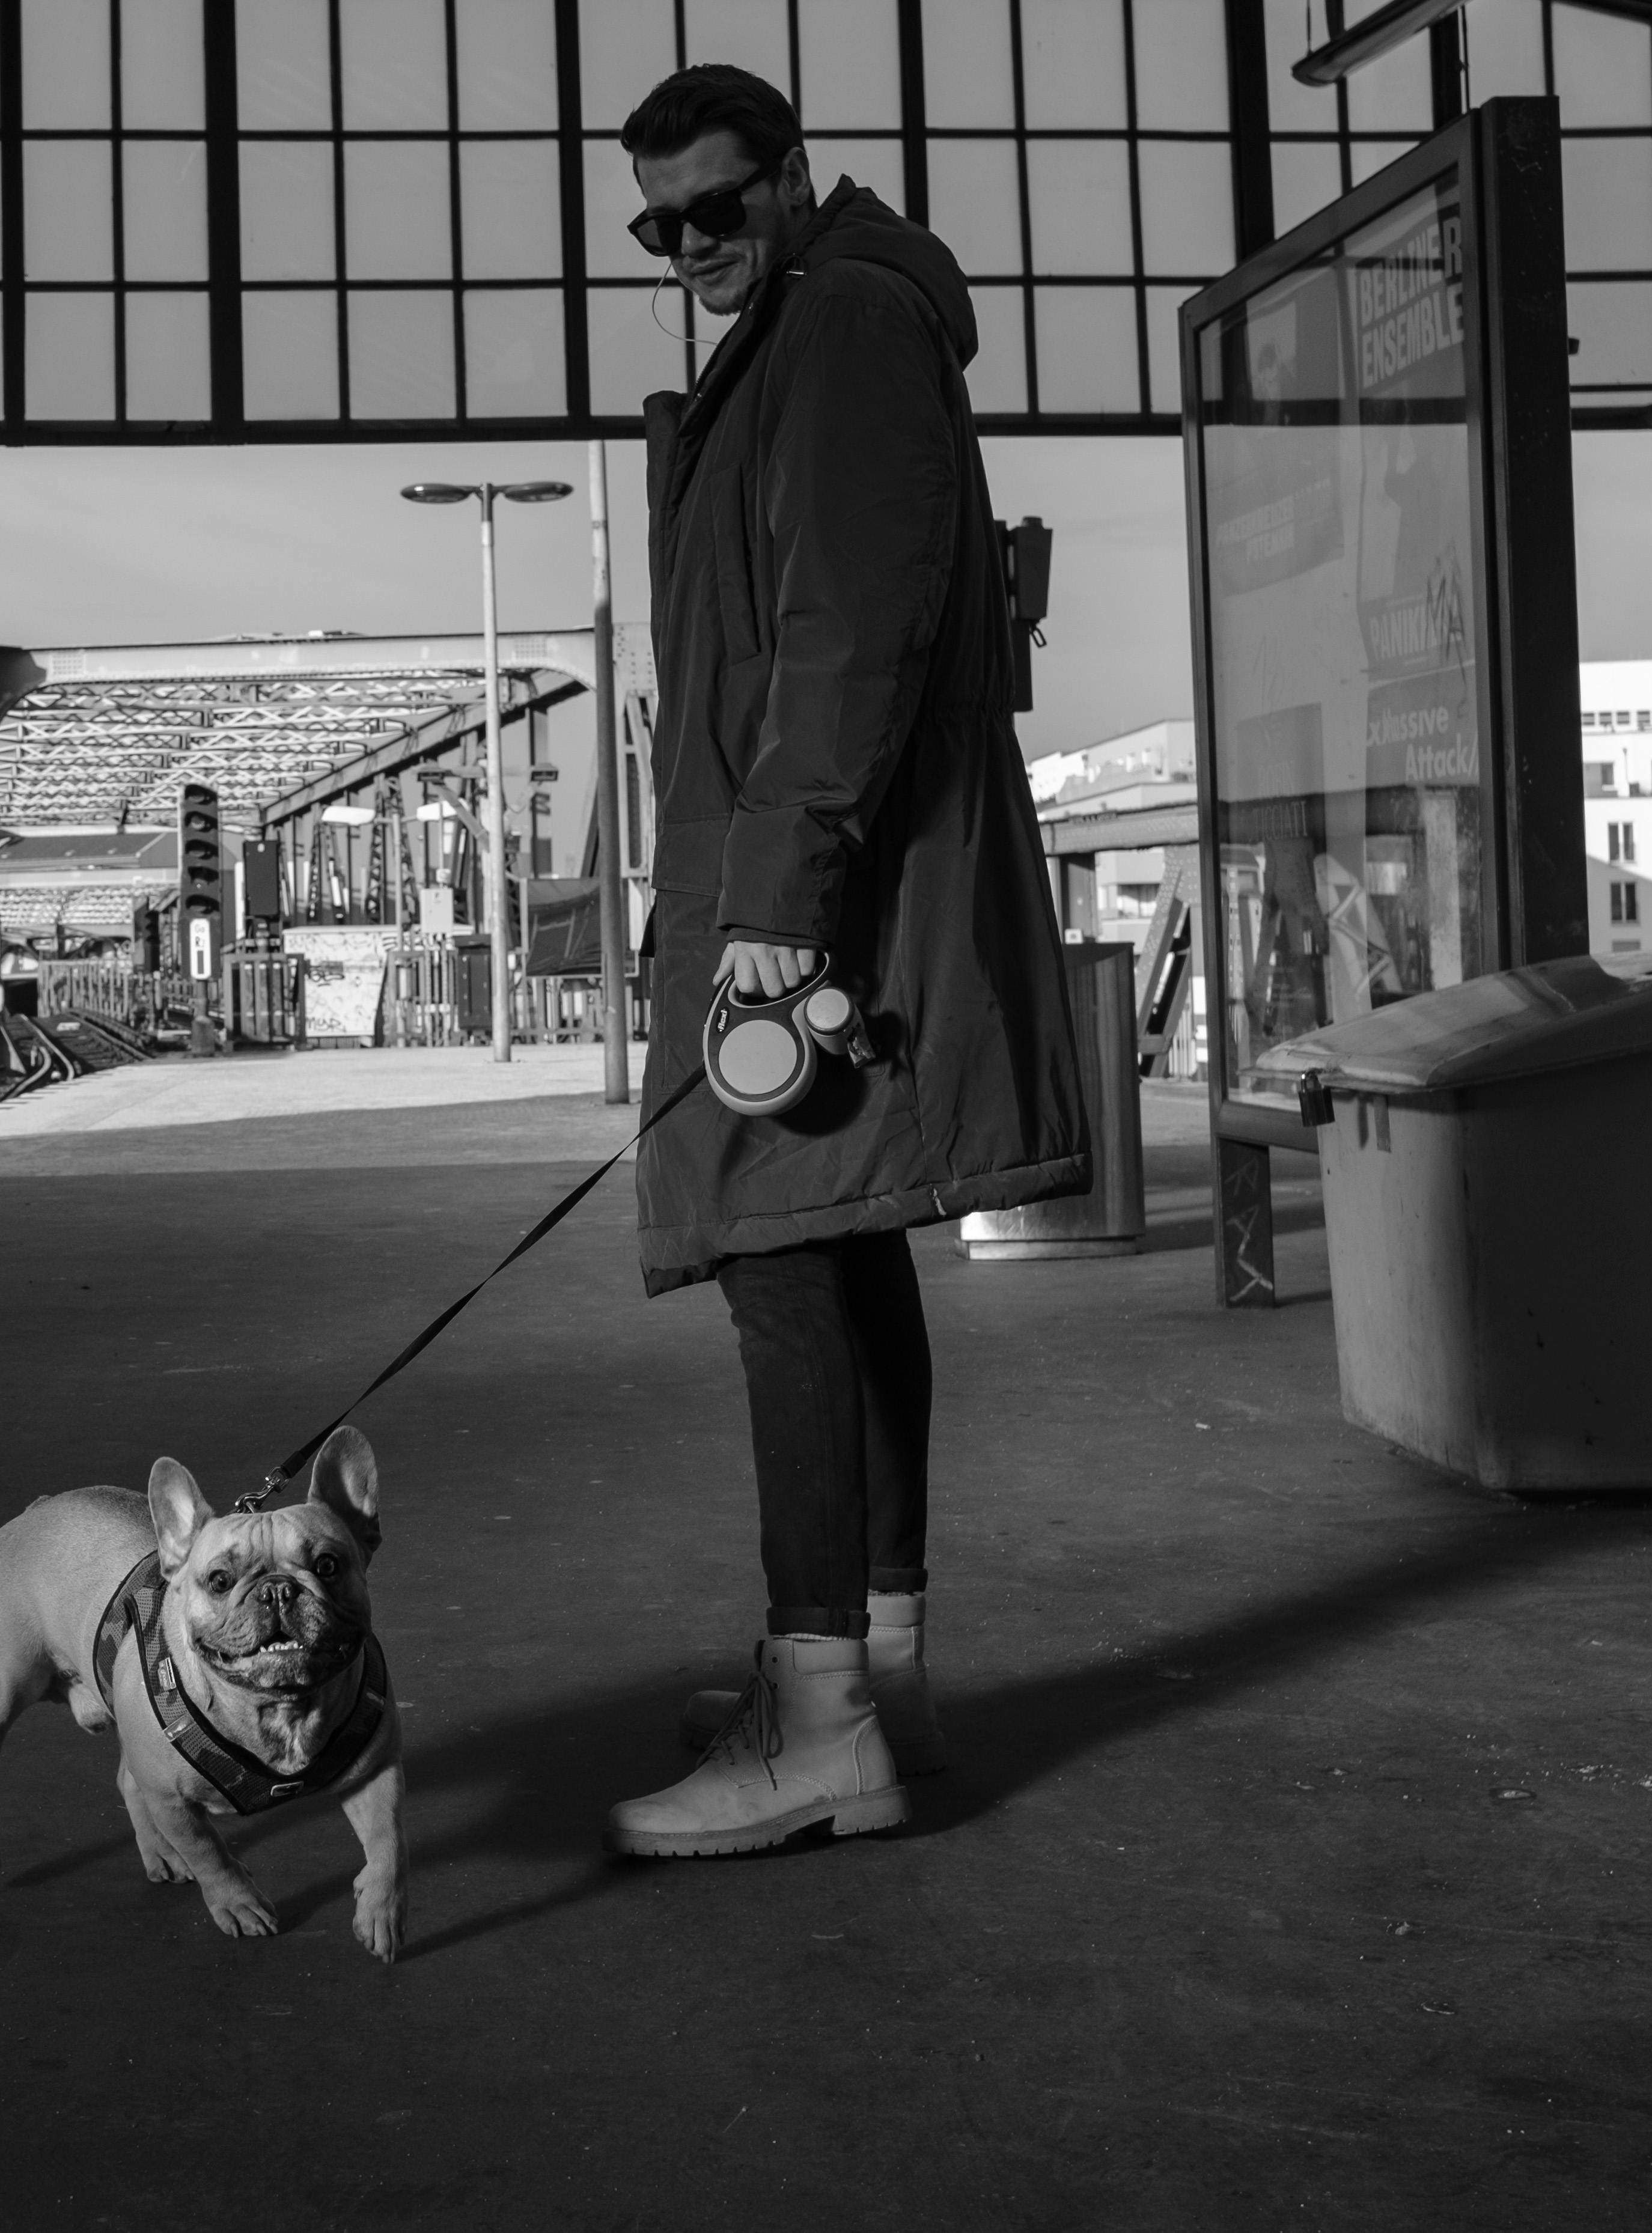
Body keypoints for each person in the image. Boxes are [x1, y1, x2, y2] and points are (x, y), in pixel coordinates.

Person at [603, 65, 1087, 1859]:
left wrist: (775, 906)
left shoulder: (845, 332)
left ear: (792, 179)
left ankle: (818, 1723)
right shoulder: (819, 326)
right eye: (660, 228)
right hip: (815, 876)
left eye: (718, 210)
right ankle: (873, 1674)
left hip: (820, 892)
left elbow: (842, 641)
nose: (692, 250)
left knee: (776, 1257)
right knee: (838, 1247)